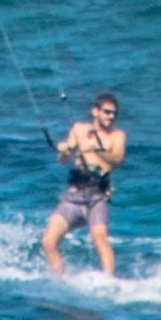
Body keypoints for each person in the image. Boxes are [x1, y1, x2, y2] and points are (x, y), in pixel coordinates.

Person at [41, 91, 124, 275]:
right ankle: (60, 279)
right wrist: (66, 150)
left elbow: (116, 159)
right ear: (95, 111)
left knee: (99, 238)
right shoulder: (78, 129)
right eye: (107, 112)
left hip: (98, 196)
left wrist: (96, 147)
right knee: (48, 240)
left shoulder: (117, 136)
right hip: (74, 195)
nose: (111, 117)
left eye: (114, 114)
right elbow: (63, 159)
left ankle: (108, 280)